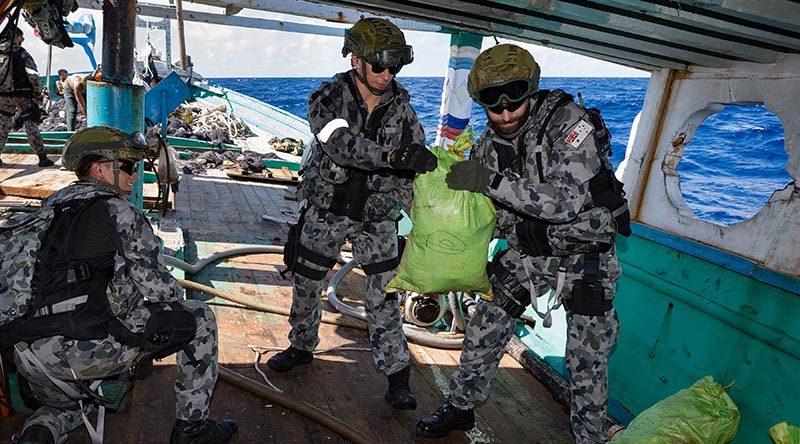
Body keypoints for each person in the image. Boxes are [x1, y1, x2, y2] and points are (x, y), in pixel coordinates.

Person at [416, 44, 629, 443]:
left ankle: (589, 438)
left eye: (514, 98)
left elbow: (565, 201)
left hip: (583, 253)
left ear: (530, 90)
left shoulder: (568, 124)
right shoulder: (489, 144)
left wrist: (490, 182)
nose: (505, 112)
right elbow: (478, 211)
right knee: (485, 323)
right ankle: (462, 407)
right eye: (492, 105)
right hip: (528, 251)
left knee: (586, 359)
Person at [6, 126, 237, 444]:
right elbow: (163, 292)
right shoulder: (119, 212)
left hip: (28, 358)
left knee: (77, 404)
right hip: (79, 352)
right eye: (127, 166)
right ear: (100, 169)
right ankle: (192, 431)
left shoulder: (51, 207)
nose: (134, 175)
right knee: (200, 320)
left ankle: (40, 432)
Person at [267, 18, 437, 411]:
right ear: (357, 60)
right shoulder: (327, 97)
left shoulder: (404, 110)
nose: (387, 74)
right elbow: (339, 144)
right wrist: (390, 157)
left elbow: (415, 159)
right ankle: (301, 346)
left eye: (395, 67)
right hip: (328, 210)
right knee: (307, 282)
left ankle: (397, 375)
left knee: (384, 295)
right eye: (380, 66)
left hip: (376, 217)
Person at [0, 28, 54, 167]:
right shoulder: (21, 53)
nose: (22, 41)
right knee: (30, 124)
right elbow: (33, 75)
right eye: (21, 37)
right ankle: (42, 157)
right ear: (15, 36)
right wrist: (38, 93)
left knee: (2, 126)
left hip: (3, 96)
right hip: (22, 94)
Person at [60, 67, 99, 131]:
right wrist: (89, 121)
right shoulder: (78, 86)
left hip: (82, 87)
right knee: (72, 110)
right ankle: (70, 132)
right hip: (69, 87)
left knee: (90, 107)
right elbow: (82, 106)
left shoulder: (93, 81)